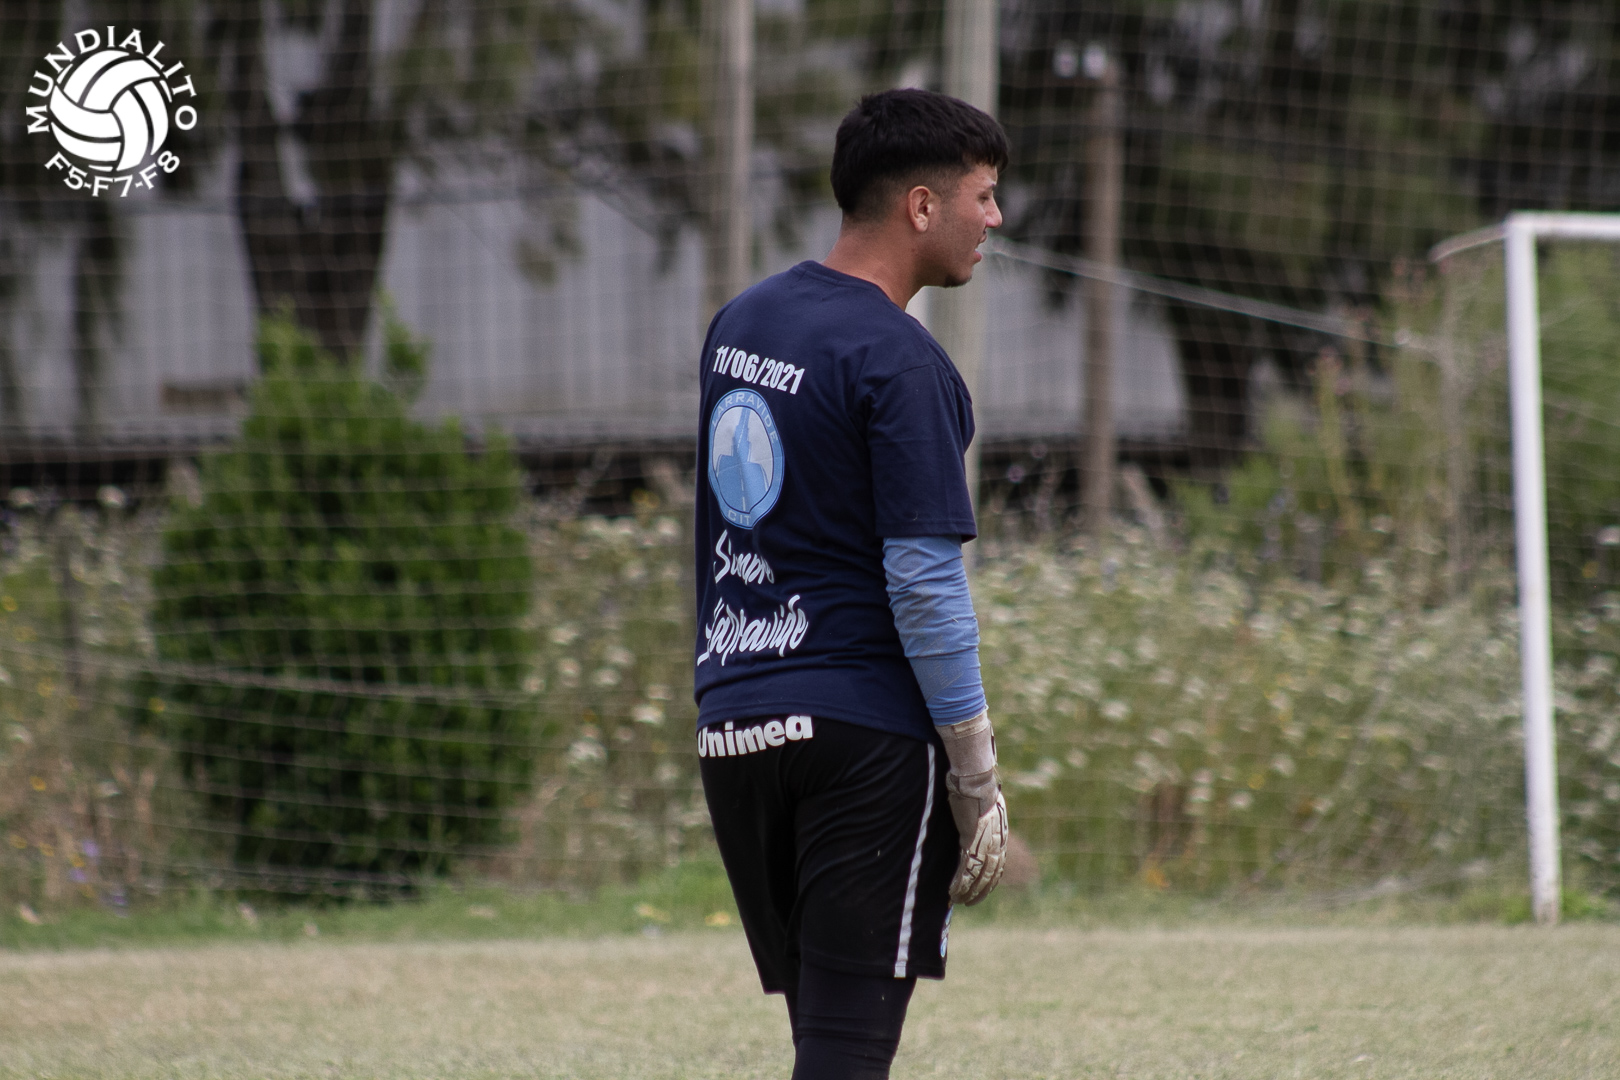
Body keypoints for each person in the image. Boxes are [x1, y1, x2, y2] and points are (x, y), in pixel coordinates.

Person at [693, 88, 1010, 1080]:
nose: (995, 219)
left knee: (823, 1045)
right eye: (984, 195)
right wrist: (975, 777)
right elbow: (924, 584)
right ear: (922, 206)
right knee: (845, 1054)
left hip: (736, 726)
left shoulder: (740, 324)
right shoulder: (902, 362)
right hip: (860, 743)